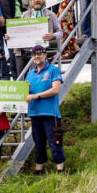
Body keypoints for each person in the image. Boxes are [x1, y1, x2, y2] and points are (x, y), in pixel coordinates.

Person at [25, 45, 65, 174]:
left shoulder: (53, 70)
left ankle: (60, 171)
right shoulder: (30, 74)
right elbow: (25, 93)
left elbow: (55, 89)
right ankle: (39, 170)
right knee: (38, 143)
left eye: (39, 54)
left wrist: (36, 96)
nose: (37, 56)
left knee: (55, 141)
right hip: (34, 113)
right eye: (34, 54)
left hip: (50, 113)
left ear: (45, 55)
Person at [7, 0, 63, 76]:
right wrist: (10, 36)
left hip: (39, 52)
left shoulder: (51, 15)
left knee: (34, 77)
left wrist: (53, 35)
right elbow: (19, 31)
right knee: (21, 79)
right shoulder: (25, 15)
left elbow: (60, 33)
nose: (36, 0)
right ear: (30, 2)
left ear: (43, 0)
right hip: (23, 51)